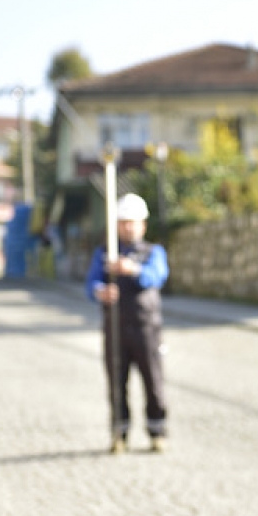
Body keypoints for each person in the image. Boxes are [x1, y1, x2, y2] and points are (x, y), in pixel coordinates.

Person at [85, 193, 170, 454]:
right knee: (116, 384)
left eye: (132, 222)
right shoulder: (104, 254)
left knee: (153, 382)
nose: (128, 227)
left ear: (142, 225)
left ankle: (157, 432)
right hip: (115, 328)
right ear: (117, 225)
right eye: (123, 222)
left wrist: (132, 269)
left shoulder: (153, 253)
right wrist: (101, 291)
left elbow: (156, 277)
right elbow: (91, 284)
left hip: (146, 328)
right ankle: (119, 434)